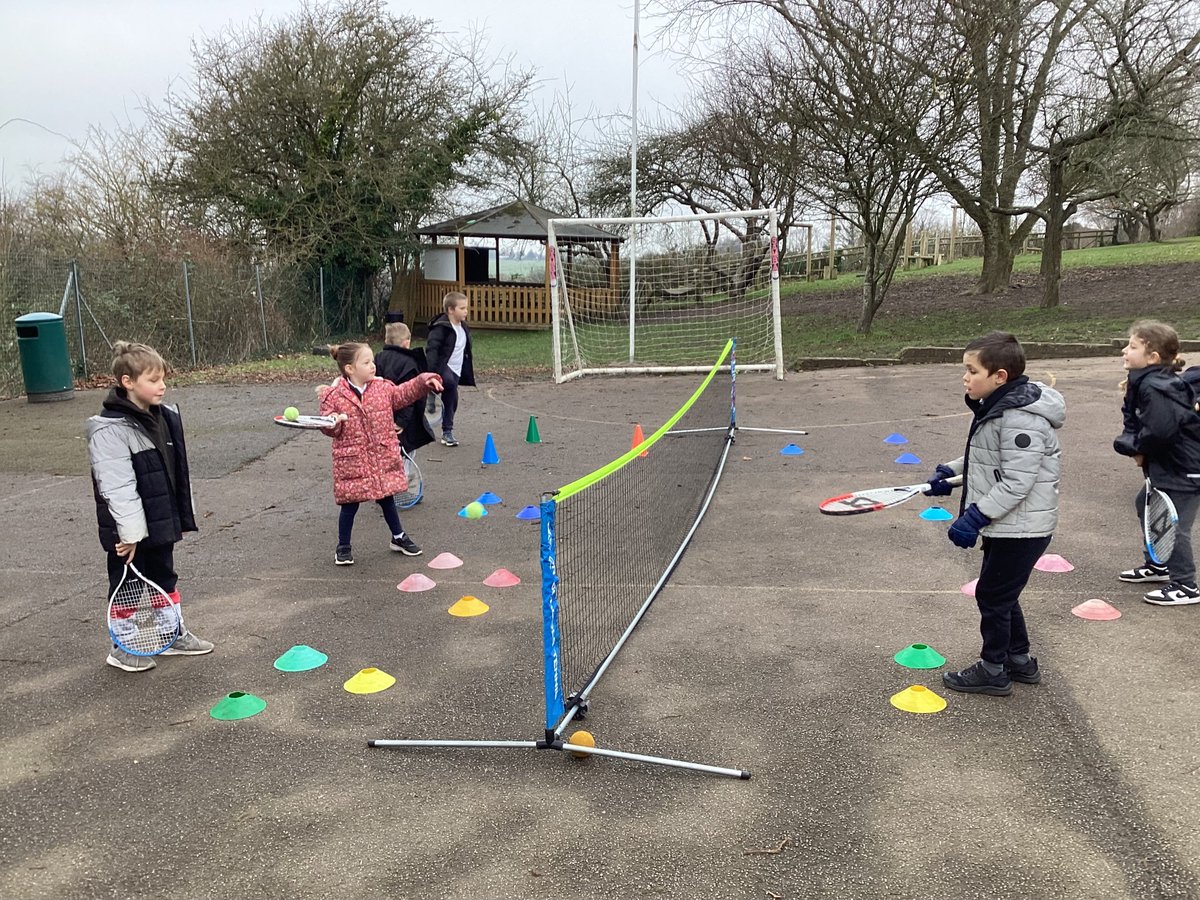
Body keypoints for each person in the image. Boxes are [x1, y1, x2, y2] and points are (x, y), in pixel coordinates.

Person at [923, 332, 1065, 695]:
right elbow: (987, 461)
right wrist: (948, 474)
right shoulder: (1001, 406)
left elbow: (1017, 482)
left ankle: (993, 669)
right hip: (1011, 526)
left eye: (972, 370)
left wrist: (975, 518)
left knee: (992, 596)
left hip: (1023, 528)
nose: (965, 378)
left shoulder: (1021, 418)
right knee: (1002, 595)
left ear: (999, 376)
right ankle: (1018, 660)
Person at [86, 341, 214, 673]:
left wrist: (177, 517)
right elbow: (117, 488)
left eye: (163, 379)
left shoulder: (165, 417)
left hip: (159, 522)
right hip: (126, 531)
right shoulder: (109, 430)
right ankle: (122, 647)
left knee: (164, 578)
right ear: (127, 382)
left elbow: (174, 472)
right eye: (153, 380)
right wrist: (129, 535)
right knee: (127, 586)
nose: (162, 386)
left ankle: (171, 634)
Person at [317, 342, 442, 566]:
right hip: (353, 462)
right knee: (350, 505)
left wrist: (424, 382)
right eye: (366, 362)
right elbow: (328, 428)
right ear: (349, 369)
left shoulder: (382, 388)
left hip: (381, 457)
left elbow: (404, 392)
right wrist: (334, 423)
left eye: (372, 361)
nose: (373, 366)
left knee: (386, 499)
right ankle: (343, 546)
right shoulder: (334, 396)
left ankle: (398, 537)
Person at [1113, 319, 1200, 606]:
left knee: (1175, 526)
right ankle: (1158, 564)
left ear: (1152, 358)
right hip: (1168, 464)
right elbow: (1136, 421)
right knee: (1146, 505)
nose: (1125, 350)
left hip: (1185, 468)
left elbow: (1161, 431)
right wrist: (1135, 446)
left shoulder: (1158, 387)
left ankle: (1186, 585)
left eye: (1133, 346)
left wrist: (1135, 448)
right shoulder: (1144, 382)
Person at [374, 321, 435, 458]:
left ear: (386, 340)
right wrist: (402, 421)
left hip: (381, 415)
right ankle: (403, 478)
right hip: (404, 420)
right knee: (405, 454)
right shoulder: (410, 363)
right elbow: (410, 397)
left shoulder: (378, 358)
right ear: (407, 343)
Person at [424, 291, 474, 447]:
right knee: (450, 384)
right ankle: (431, 393)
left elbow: (464, 349)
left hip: (456, 370)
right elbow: (432, 349)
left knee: (452, 401)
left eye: (466, 308)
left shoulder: (463, 327)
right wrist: (431, 373)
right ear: (451, 310)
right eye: (462, 308)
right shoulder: (441, 328)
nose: (466, 311)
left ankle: (447, 432)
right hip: (441, 367)